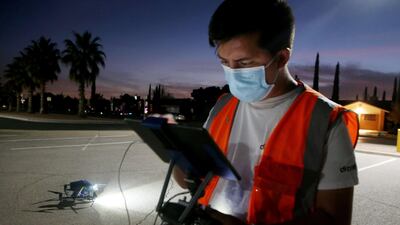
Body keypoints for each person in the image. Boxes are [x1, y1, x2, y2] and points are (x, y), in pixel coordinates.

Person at [173, 0, 359, 224]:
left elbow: (334, 218)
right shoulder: (223, 106)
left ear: (281, 58)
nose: (232, 73)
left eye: (243, 63)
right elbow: (189, 179)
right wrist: (174, 149)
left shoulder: (326, 121)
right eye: (224, 62)